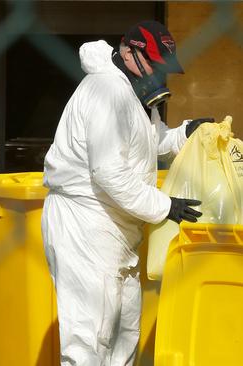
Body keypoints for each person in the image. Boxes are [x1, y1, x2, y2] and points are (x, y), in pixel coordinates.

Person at [41, 20, 211, 365]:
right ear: (129, 52)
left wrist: (185, 133)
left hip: (117, 228)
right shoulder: (106, 91)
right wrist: (166, 206)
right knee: (90, 339)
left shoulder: (132, 92)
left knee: (124, 335)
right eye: (155, 64)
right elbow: (108, 172)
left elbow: (150, 142)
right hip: (85, 223)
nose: (159, 74)